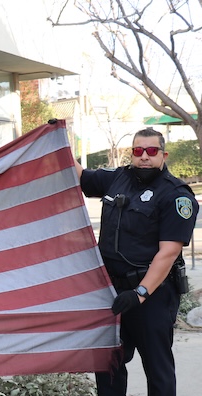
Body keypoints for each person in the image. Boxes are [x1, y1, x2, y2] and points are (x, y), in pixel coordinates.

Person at [74, 127, 198, 396]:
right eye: (138, 151)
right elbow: (79, 175)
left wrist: (139, 293)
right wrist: (56, 142)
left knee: (157, 368)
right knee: (108, 365)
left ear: (163, 155)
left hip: (151, 295)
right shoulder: (118, 178)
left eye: (151, 151)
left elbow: (168, 253)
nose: (144, 156)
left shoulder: (176, 195)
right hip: (112, 292)